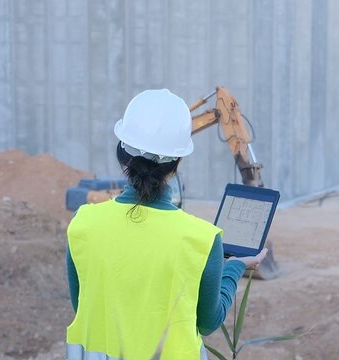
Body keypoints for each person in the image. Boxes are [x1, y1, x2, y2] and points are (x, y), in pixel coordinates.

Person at [65, 89, 267, 360]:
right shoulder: (202, 239)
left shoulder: (83, 225)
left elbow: (84, 307)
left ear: (122, 154)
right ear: (179, 161)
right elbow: (208, 322)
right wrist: (234, 268)